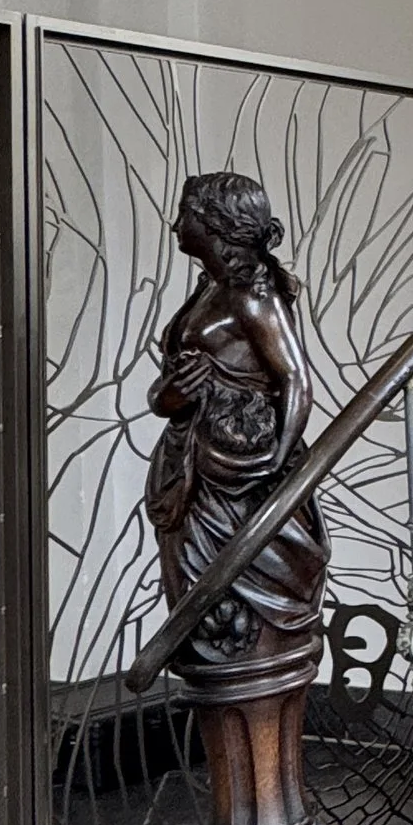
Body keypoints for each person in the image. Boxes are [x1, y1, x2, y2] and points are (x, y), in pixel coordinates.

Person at [146, 170, 328, 707]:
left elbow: (296, 379)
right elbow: (167, 394)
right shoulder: (208, 289)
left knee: (247, 633)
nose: (177, 224)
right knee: (204, 631)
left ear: (215, 224)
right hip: (194, 469)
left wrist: (278, 470)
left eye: (187, 215)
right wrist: (172, 396)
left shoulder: (252, 294)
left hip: (243, 468)